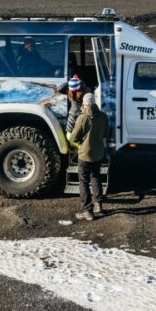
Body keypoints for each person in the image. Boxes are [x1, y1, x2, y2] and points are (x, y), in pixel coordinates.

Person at [69, 93, 109, 221]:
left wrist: (80, 143)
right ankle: (99, 206)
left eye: (84, 104)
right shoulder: (103, 116)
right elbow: (106, 133)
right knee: (96, 177)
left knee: (83, 182)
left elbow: (73, 137)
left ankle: (87, 211)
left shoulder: (82, 118)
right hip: (98, 154)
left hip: (85, 155)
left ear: (86, 104)